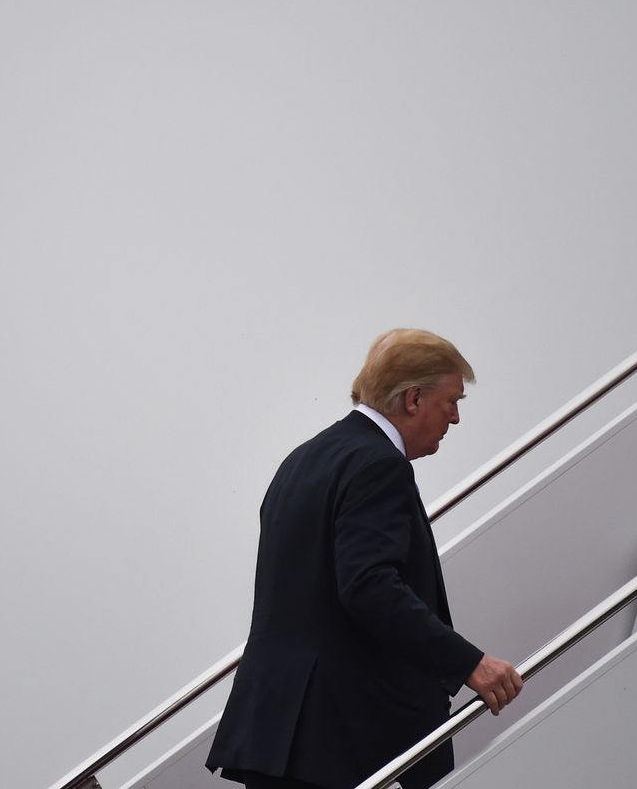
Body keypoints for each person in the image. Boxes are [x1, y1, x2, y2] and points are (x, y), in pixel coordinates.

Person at [205, 329, 524, 789]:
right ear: (414, 398)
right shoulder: (379, 464)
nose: (454, 417)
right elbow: (369, 586)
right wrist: (468, 663)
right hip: (337, 738)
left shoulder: (303, 459)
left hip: (280, 733)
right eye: (452, 401)